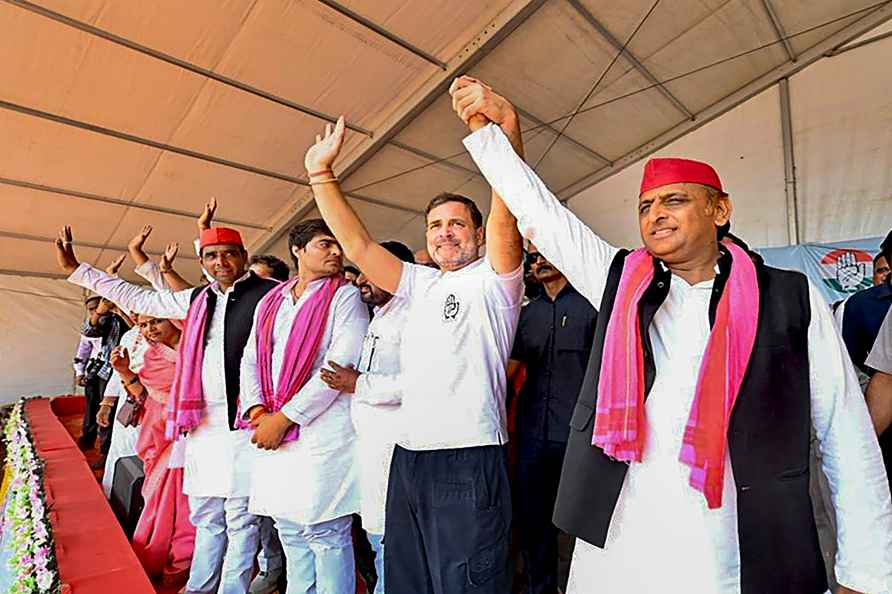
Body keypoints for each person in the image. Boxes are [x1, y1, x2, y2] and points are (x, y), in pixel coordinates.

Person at [450, 76, 892, 593]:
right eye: (645, 206)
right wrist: (502, 134)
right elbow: (541, 215)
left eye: (674, 201)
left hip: (738, 537)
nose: (656, 214)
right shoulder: (622, 282)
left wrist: (866, 571)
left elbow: (843, 428)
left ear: (719, 210)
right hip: (626, 536)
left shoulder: (789, 297)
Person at [304, 114, 524, 593]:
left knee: (468, 583)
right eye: (435, 225)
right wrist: (321, 176)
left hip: (467, 456)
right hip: (410, 457)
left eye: (457, 224)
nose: (445, 233)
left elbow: (509, 214)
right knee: (409, 578)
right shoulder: (418, 283)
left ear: (479, 233)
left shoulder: (496, 281)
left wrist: (502, 139)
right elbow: (359, 246)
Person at [54, 220, 280, 594]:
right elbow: (139, 299)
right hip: (201, 423)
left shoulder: (272, 294)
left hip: (247, 422)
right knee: (206, 514)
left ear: (243, 257)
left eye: (228, 253)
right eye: (211, 255)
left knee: (241, 519)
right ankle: (200, 587)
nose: (220, 261)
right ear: (203, 261)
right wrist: (78, 271)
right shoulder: (199, 298)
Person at [240, 219, 368, 594]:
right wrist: (257, 412)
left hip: (323, 430)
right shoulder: (272, 300)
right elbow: (250, 358)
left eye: (338, 245)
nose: (336, 252)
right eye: (325, 244)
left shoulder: (345, 296)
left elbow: (339, 365)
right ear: (297, 250)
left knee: (326, 531)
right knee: (290, 530)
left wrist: (285, 418)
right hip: (269, 427)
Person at [320, 240, 415, 594]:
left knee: (392, 540)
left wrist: (360, 383)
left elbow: (422, 382)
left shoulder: (414, 316)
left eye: (370, 272)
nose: (361, 280)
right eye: (359, 272)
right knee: (377, 536)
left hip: (398, 445)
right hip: (368, 445)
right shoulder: (375, 317)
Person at [508, 244, 596, 594]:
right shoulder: (528, 315)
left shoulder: (592, 306)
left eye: (546, 253)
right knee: (534, 523)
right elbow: (507, 372)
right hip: (533, 435)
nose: (540, 262)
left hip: (580, 435)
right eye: (534, 258)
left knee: (584, 524)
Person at [110, 314, 196, 589]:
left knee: (183, 505)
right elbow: (145, 396)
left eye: (157, 321)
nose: (150, 329)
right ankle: (158, 550)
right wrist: (124, 372)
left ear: (176, 320)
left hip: (189, 439)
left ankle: (182, 562)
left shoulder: (195, 353)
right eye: (145, 325)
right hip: (157, 437)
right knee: (158, 497)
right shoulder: (152, 356)